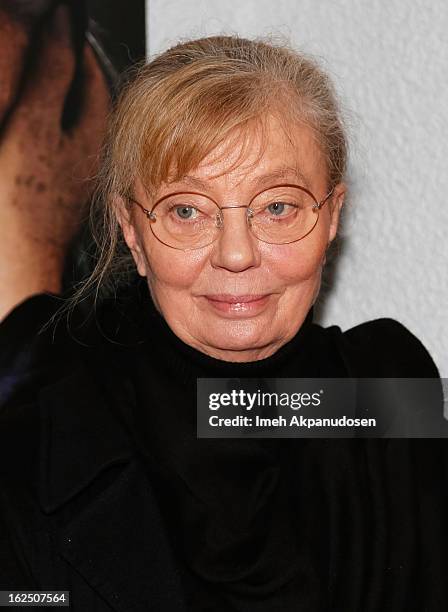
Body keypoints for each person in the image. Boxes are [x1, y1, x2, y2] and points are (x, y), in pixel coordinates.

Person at [1, 35, 447, 612]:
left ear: (332, 216)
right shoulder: (33, 454)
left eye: (277, 207)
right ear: (132, 233)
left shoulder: (388, 398)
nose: (236, 254)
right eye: (187, 210)